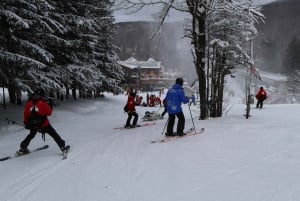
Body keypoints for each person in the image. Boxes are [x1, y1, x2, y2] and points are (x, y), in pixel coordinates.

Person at [18, 89, 68, 154]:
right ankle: (62, 147)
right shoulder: (43, 103)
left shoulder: (29, 103)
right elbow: (49, 113)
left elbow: (25, 114)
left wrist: (26, 123)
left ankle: (23, 148)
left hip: (33, 125)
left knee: (31, 135)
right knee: (54, 134)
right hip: (44, 124)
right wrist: (50, 105)